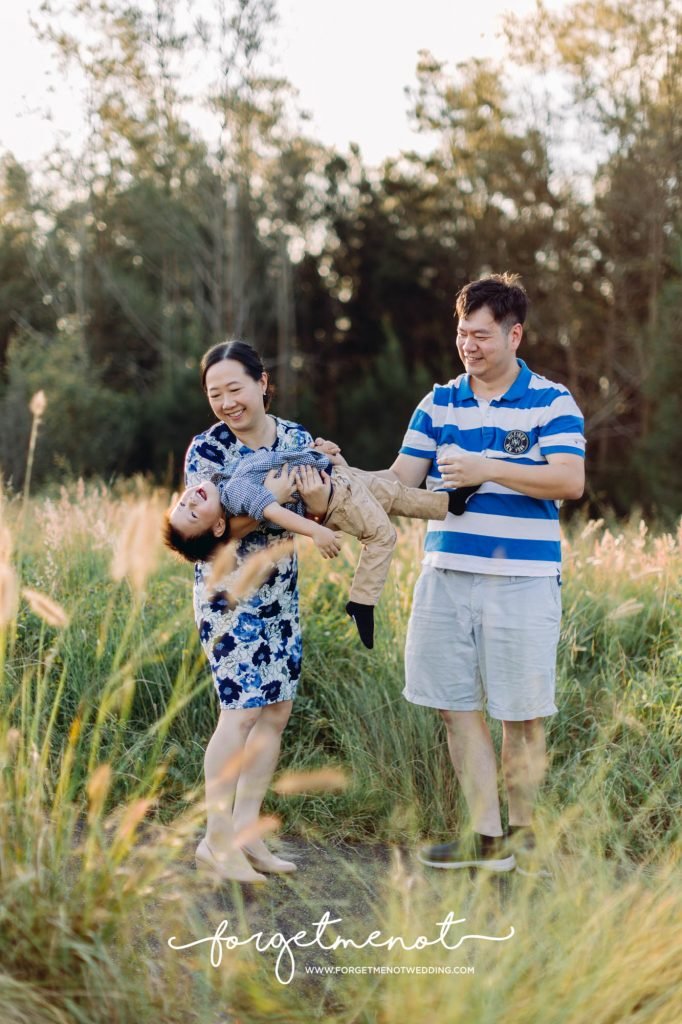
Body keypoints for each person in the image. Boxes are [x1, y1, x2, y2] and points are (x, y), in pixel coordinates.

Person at [377, 273, 585, 874]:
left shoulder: (551, 401)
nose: (469, 345)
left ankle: (523, 838)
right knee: (453, 706)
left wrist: (482, 467)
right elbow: (399, 482)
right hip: (445, 575)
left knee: (521, 714)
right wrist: (342, 480)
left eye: (482, 335)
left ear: (514, 335)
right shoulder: (438, 401)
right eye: (462, 333)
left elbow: (569, 482)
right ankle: (485, 838)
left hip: (522, 579)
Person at [181, 339, 334, 884]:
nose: (226, 402)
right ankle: (216, 840)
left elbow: (321, 505)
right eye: (214, 393)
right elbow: (207, 528)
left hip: (280, 590)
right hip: (227, 594)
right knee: (240, 712)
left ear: (262, 382)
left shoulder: (294, 438)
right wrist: (270, 502)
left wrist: (314, 502)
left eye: (234, 389)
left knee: (275, 711)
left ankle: (246, 834)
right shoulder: (206, 450)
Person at [164, 447, 476, 649]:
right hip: (337, 494)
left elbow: (279, 458)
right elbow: (274, 510)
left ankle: (450, 503)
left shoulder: (226, 477)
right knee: (383, 537)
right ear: (218, 526)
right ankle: (362, 603)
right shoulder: (235, 493)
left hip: (335, 474)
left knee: (394, 495)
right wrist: (315, 531)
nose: (190, 500)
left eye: (182, 502)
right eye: (192, 514)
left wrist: (317, 452)